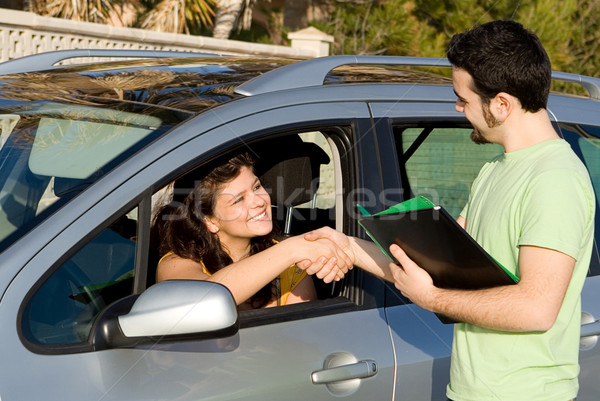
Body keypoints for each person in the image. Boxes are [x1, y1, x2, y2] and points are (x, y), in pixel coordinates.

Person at [300, 20, 595, 401]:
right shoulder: (495, 169)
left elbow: (536, 308)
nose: (458, 108)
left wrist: (432, 299)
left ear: (501, 104)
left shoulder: (555, 179)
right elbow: (436, 266)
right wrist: (348, 247)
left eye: (463, 98)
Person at [152, 152, 351, 310]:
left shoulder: (293, 268)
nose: (259, 201)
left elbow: (301, 342)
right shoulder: (178, 263)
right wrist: (291, 249)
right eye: (238, 199)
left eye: (256, 187)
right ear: (210, 221)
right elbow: (202, 303)